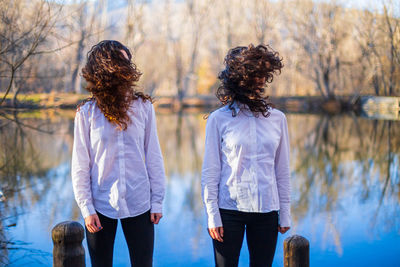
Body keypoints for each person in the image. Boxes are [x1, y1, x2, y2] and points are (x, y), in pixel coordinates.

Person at [71, 40, 166, 267]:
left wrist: (157, 201)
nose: (126, 68)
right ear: (104, 69)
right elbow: (80, 166)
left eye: (127, 62)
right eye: (119, 62)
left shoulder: (143, 107)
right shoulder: (86, 113)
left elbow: (154, 156)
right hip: (100, 205)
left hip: (140, 202)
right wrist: (86, 208)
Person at [201, 44, 290, 267]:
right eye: (254, 76)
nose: (259, 82)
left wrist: (285, 212)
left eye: (262, 76)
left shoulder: (278, 119)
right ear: (239, 79)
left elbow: (282, 170)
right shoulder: (218, 119)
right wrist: (212, 214)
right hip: (229, 210)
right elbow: (211, 171)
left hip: (266, 210)